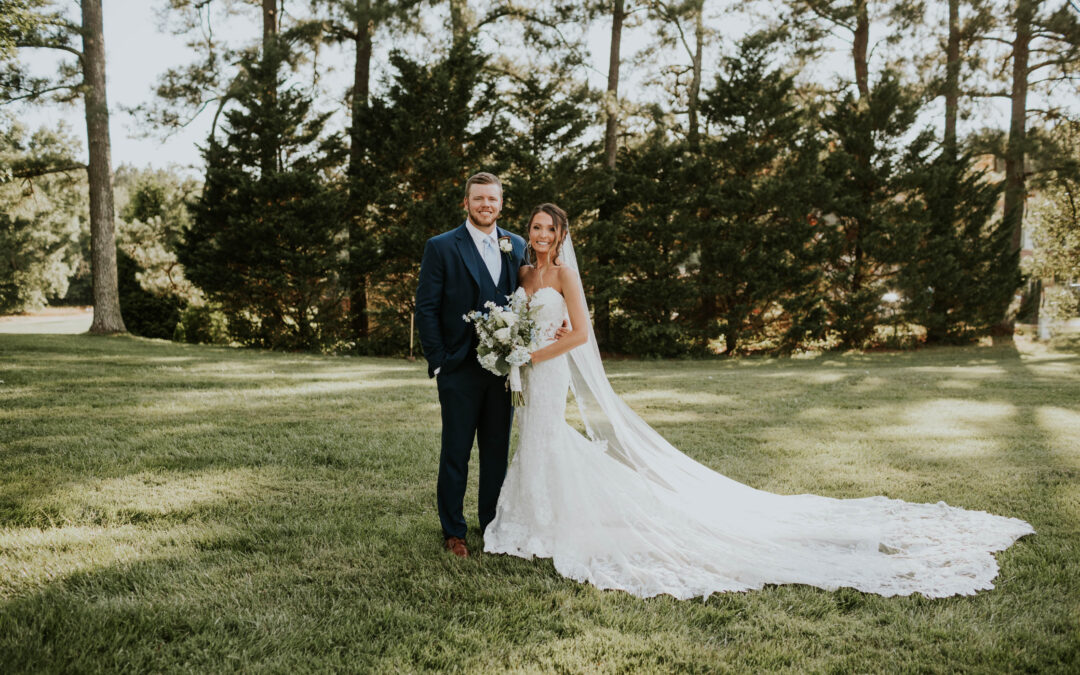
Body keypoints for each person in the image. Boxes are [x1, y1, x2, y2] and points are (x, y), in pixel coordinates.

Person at [482, 203, 1035, 599]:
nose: (539, 236)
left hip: (544, 372)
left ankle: (545, 520)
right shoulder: (525, 271)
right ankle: (535, 515)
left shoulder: (563, 274)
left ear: (561, 234)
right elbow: (522, 320)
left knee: (549, 438)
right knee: (535, 439)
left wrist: (535, 357)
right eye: (534, 228)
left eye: (548, 229)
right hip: (526, 374)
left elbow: (580, 334)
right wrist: (517, 349)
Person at [414, 172, 525, 559]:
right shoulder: (442, 246)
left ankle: (492, 525)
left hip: (502, 372)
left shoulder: (517, 245)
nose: (486, 206)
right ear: (466, 203)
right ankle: (453, 531)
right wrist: (439, 361)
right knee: (456, 452)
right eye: (478, 199)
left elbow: (526, 300)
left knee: (496, 452)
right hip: (459, 368)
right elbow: (426, 307)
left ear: (500, 203)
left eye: (492, 199)